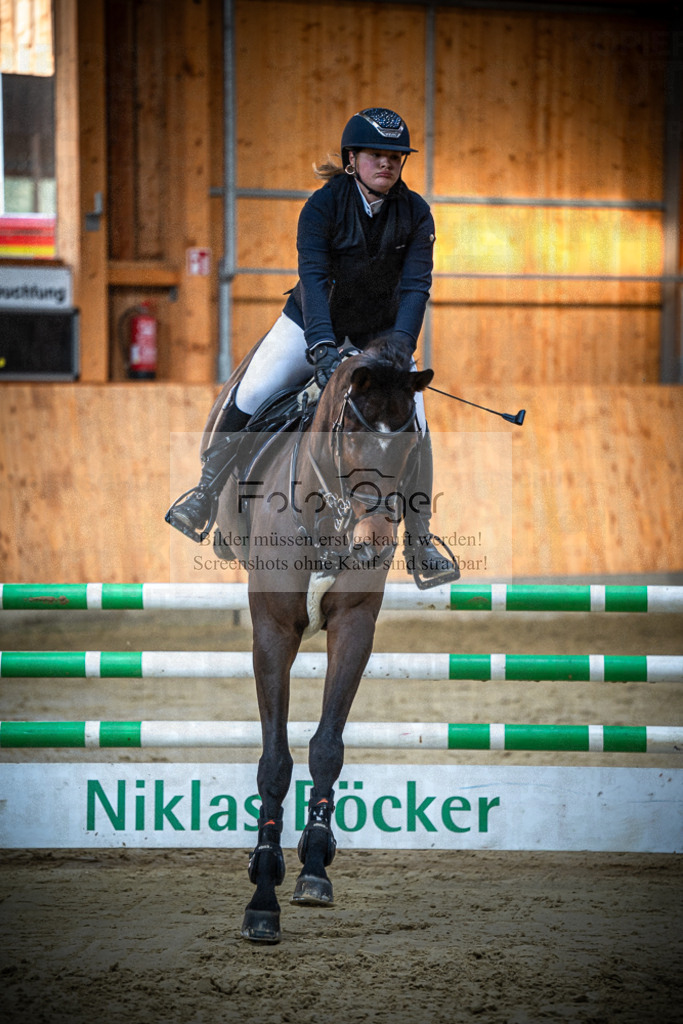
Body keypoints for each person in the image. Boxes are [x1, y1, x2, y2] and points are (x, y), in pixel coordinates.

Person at [166, 107, 458, 585]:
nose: (387, 163)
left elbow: (415, 289)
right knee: (251, 392)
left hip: (380, 339)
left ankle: (420, 538)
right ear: (352, 159)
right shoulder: (322, 207)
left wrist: (398, 355)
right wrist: (322, 347)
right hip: (310, 323)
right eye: (376, 155)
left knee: (416, 423)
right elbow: (315, 279)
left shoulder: (416, 213)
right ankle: (205, 494)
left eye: (395, 157)